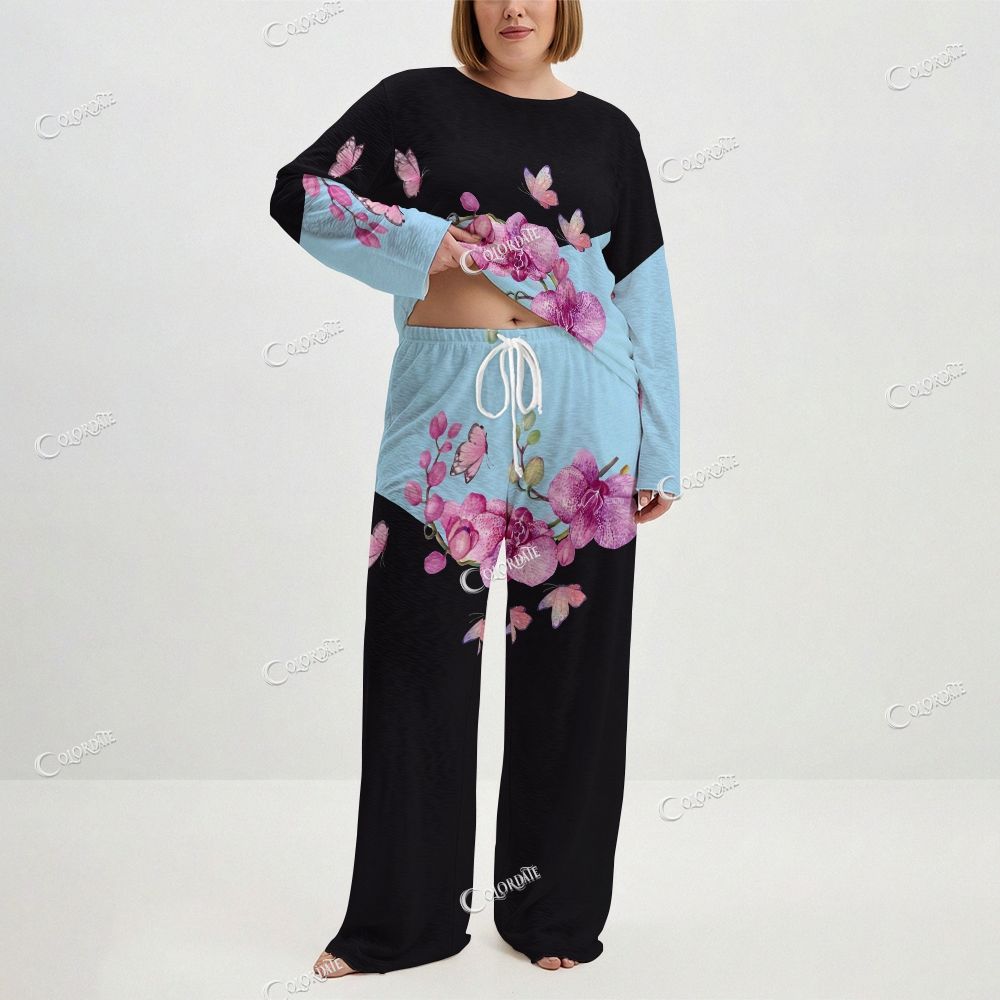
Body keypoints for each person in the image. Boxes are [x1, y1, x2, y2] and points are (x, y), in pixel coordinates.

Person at [268, 0, 680, 977]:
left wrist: (659, 448)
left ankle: (551, 915)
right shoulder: (412, 103)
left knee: (573, 676)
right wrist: (423, 240)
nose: (514, 6)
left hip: (585, 415)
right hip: (446, 413)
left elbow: (642, 287)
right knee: (417, 666)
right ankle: (404, 921)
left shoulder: (607, 131)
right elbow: (299, 195)